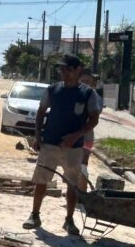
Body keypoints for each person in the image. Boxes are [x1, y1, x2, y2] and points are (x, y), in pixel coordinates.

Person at [23, 55, 102, 235]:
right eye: (62, 69)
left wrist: (76, 136)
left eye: (67, 69)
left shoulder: (88, 94)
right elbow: (41, 113)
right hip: (50, 143)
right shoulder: (52, 90)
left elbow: (93, 120)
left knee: (72, 184)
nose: (63, 73)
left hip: (73, 148)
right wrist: (37, 136)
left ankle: (69, 220)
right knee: (41, 180)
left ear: (77, 70)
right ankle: (34, 215)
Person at [78, 71, 103, 191]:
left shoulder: (95, 97)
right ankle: (74, 189)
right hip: (73, 137)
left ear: (93, 84)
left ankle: (81, 190)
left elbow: (94, 117)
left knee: (83, 163)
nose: (85, 84)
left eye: (88, 82)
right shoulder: (74, 94)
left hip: (86, 137)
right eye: (83, 81)